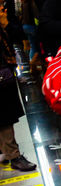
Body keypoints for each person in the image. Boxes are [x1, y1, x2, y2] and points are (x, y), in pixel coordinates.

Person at [0, 1, 36, 171]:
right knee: (5, 114)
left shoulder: (6, 11)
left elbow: (18, 32)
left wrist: (6, 24)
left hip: (4, 67)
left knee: (7, 113)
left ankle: (8, 152)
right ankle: (12, 155)